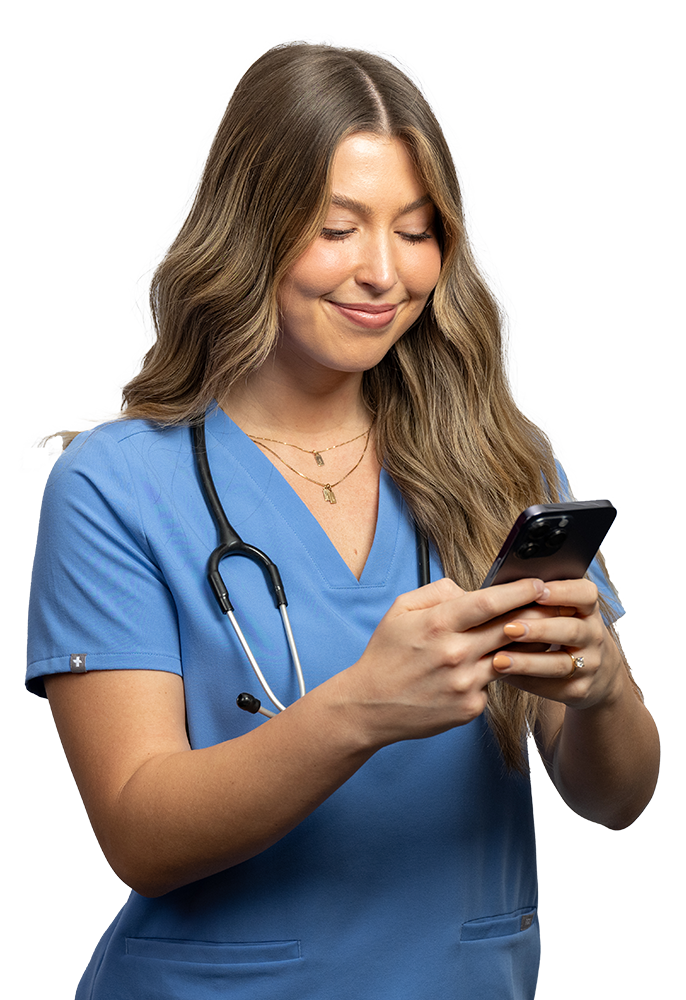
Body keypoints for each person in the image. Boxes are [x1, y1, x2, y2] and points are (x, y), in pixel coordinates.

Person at [26, 40, 659, 1000]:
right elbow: (138, 836)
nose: (383, 272)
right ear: (251, 229)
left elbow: (615, 799)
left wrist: (604, 688)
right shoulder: (114, 485)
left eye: (416, 230)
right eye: (337, 227)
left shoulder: (500, 463)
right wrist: (361, 708)